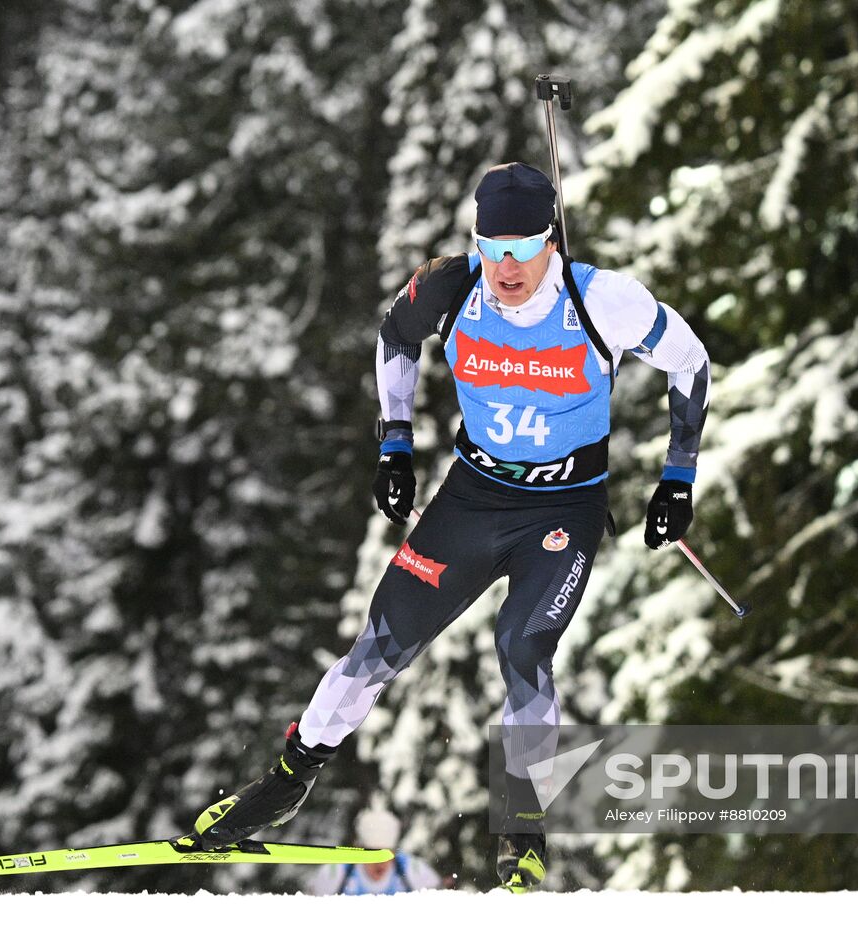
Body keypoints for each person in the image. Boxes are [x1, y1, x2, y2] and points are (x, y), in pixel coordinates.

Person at [175, 162, 712, 892]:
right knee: (378, 643)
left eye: (523, 248)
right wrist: (394, 442)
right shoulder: (450, 287)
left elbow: (689, 359)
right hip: (472, 497)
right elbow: (395, 338)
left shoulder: (603, 300)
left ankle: (523, 832)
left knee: (524, 645)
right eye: (493, 249)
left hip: (563, 509)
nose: (507, 267)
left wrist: (677, 477)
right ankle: (287, 778)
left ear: (551, 241)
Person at [306, 805, 442, 895]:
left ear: (394, 852)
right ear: (358, 849)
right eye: (371, 854)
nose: (379, 862)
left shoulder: (413, 870)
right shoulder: (335, 873)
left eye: (385, 854)